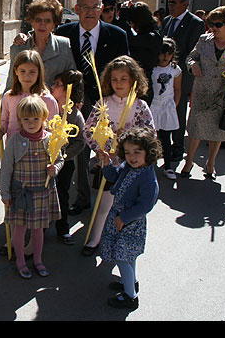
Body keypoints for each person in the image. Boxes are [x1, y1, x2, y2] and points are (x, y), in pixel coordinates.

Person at [56, 0, 129, 216]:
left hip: (104, 101)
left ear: (103, 10)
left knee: (104, 149)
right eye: (85, 7)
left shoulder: (117, 35)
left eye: (95, 7)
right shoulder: (63, 33)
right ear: (76, 9)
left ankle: (107, 197)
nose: (90, 12)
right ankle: (78, 197)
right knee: (75, 149)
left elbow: (124, 68)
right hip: (72, 101)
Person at [81, 55, 154, 256]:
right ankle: (95, 238)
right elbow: (88, 130)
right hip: (108, 162)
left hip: (131, 165)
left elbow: (150, 133)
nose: (119, 83)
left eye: (124, 79)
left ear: (133, 80)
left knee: (124, 206)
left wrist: (129, 137)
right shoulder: (103, 104)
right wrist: (99, 149)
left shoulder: (140, 106)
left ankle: (119, 243)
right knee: (104, 203)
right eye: (114, 79)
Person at [96, 127, 161, 310]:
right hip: (118, 218)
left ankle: (130, 296)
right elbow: (113, 177)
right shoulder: (128, 166)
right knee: (127, 255)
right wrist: (106, 163)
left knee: (123, 256)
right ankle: (130, 282)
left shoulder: (148, 177)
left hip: (130, 223)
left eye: (137, 152)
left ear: (149, 152)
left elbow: (146, 205)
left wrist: (124, 217)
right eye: (128, 152)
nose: (132, 157)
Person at [180, 6, 225, 180]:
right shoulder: (204, 40)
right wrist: (193, 65)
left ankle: (210, 163)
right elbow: (190, 57)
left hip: (222, 92)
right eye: (211, 24)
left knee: (217, 130)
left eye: (218, 24)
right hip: (202, 90)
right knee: (195, 127)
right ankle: (189, 162)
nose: (214, 28)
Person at [0, 95, 62, 279]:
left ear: (44, 118)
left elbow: (59, 159)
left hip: (42, 193)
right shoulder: (15, 141)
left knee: (38, 229)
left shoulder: (51, 139)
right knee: (19, 228)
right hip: (21, 193)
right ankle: (20, 260)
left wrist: (55, 169)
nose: (31, 123)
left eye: (36, 118)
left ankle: (38, 259)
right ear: (20, 120)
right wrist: (5, 192)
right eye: (26, 119)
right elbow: (6, 168)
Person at [161, 0, 206, 162]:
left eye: (173, 3)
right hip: (163, 75)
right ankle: (162, 145)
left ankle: (178, 147)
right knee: (162, 110)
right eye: (169, 3)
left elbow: (192, 51)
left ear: (184, 4)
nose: (169, 6)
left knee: (178, 111)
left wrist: (173, 66)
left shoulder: (195, 24)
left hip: (180, 76)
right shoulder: (167, 20)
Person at [8, 0, 76, 91]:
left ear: (54, 24)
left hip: (53, 103)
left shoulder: (63, 46)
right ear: (32, 21)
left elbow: (72, 80)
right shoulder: (19, 47)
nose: (42, 24)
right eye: (38, 20)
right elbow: (11, 83)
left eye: (47, 21)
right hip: (25, 103)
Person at [50, 70, 86, 245]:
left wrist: (64, 155)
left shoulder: (75, 115)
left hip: (65, 163)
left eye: (57, 84)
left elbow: (80, 142)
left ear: (68, 90)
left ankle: (63, 228)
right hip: (45, 160)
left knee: (61, 195)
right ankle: (39, 226)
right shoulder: (48, 105)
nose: (53, 87)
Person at [0, 50, 59, 143]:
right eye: (22, 71)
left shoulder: (47, 100)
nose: (27, 76)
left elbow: (53, 128)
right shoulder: (9, 96)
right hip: (14, 149)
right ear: (16, 71)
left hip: (39, 150)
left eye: (32, 72)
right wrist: (0, 130)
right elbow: (4, 120)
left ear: (39, 73)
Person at [150, 38, 182, 180]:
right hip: (154, 104)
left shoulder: (175, 69)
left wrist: (174, 104)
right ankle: (150, 164)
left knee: (166, 137)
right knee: (151, 136)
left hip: (167, 105)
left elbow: (177, 88)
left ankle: (168, 166)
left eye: (169, 54)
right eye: (163, 53)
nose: (165, 56)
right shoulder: (152, 68)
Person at [123, 1, 163, 104]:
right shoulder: (148, 34)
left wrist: (123, 16)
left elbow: (131, 40)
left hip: (142, 86)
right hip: (137, 83)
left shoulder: (152, 36)